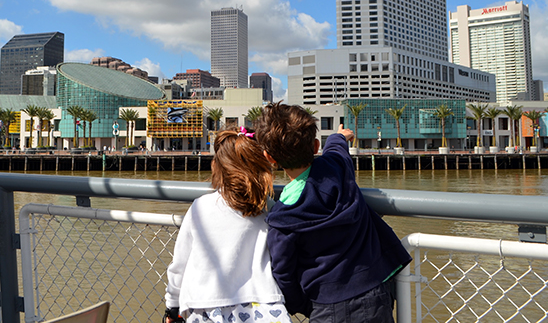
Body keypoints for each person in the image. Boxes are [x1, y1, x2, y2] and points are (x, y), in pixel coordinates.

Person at [256, 103, 412, 323]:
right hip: (373, 290)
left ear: (269, 158)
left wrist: (302, 305)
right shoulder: (336, 168)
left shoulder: (281, 218)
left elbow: (283, 272)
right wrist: (339, 136)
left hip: (324, 304)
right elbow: (336, 148)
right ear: (315, 146)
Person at [164, 127, 292, 323]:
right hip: (264, 305)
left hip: (207, 305)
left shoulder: (201, 207)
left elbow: (179, 265)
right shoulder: (269, 206)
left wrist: (173, 306)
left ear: (217, 166)